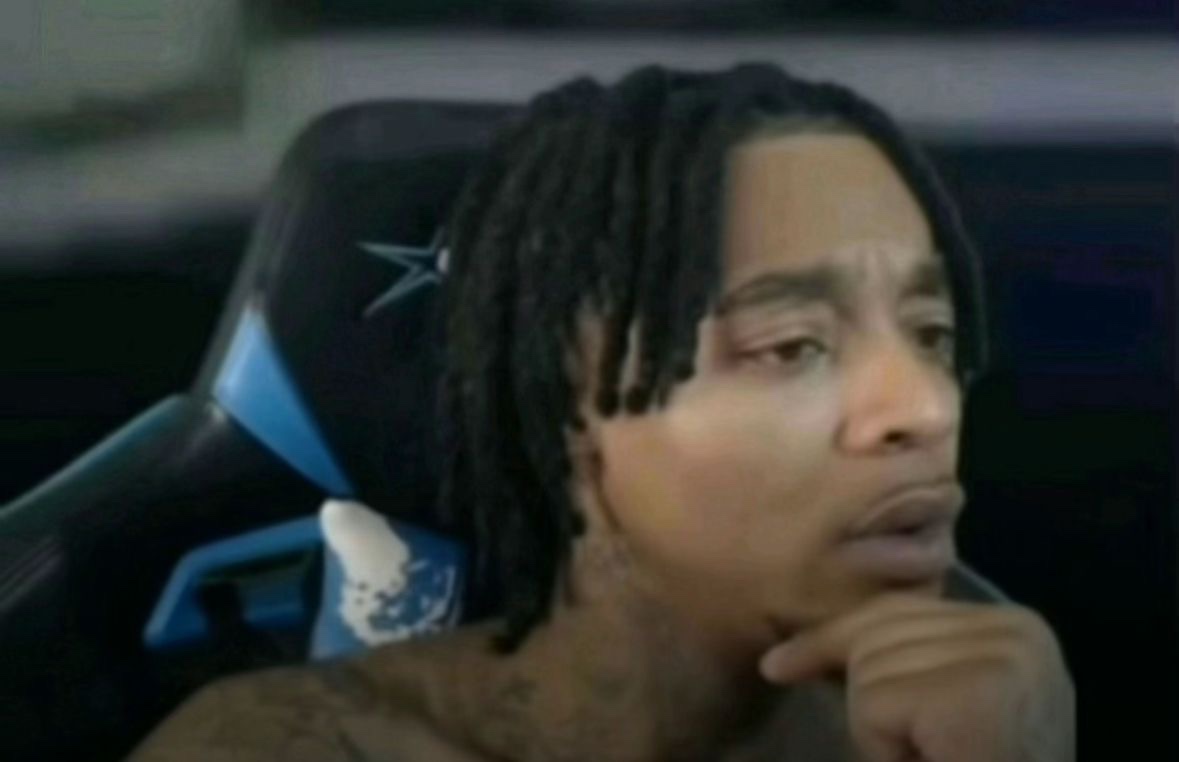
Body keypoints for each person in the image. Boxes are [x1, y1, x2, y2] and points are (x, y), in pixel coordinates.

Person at [130, 63, 1075, 761]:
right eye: (790, 346)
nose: (922, 407)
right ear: (572, 403)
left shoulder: (969, 724)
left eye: (932, 335)